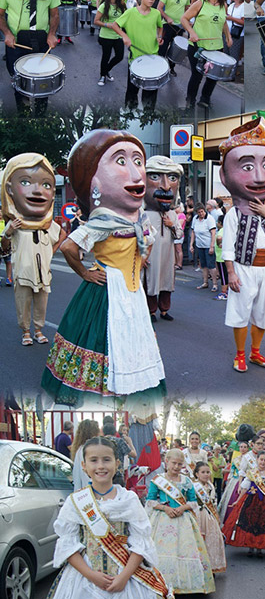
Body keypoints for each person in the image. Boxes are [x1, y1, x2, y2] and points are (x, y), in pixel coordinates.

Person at [31, 436, 187, 599]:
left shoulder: (128, 500)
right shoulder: (76, 502)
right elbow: (68, 544)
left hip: (127, 579)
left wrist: (125, 576)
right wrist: (91, 574)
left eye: (106, 460)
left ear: (117, 464)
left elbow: (141, 542)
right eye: (94, 460)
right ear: (84, 465)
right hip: (84, 579)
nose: (100, 466)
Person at [42, 129, 165, 419]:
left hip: (132, 293)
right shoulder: (103, 221)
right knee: (104, 341)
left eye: (138, 160)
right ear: (93, 181)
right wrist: (84, 273)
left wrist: (141, 257)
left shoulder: (140, 218)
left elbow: (146, 242)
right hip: (107, 292)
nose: (136, 172)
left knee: (133, 340)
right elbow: (69, 247)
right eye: (120, 161)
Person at [220, 116, 265, 373]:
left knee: (263, 313)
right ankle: (240, 354)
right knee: (240, 311)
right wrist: (230, 273)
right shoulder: (234, 213)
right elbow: (227, 245)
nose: (260, 178)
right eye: (248, 167)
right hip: (243, 267)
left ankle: (256, 353)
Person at [1, 150, 66, 347]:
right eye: (27, 182)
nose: (38, 191)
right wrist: (8, 231)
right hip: (23, 272)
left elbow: (63, 235)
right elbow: (4, 247)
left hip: (43, 272)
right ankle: (25, 331)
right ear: (10, 189)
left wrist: (51, 253)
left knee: (42, 303)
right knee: (23, 304)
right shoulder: (16, 223)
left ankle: (38, 329)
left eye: (46, 184)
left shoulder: (48, 225)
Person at [0, 0, 60, 113]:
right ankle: (24, 119)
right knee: (20, 86)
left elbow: (54, 14)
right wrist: (7, 33)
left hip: (42, 43)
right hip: (17, 43)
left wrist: (52, 34)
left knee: (43, 85)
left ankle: (41, 119)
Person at [146, 448, 215, 595]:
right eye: (174, 463)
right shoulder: (158, 480)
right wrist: (165, 509)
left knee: (185, 549)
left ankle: (185, 585)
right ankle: (161, 583)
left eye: (179, 464)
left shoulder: (187, 481)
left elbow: (193, 501)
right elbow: (150, 501)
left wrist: (183, 508)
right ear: (166, 461)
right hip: (163, 518)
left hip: (183, 519)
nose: (176, 467)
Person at [110, 0, 163, 111]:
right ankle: (129, 115)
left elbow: (160, 27)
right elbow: (115, 25)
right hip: (136, 59)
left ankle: (147, 118)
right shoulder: (131, 13)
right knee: (132, 91)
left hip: (152, 58)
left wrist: (159, 37)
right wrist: (124, 36)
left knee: (150, 93)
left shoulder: (156, 13)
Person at [181, 0, 232, 109]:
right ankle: (190, 100)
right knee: (197, 75)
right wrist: (191, 32)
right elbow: (184, 19)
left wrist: (228, 36)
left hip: (216, 47)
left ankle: (205, 98)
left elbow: (223, 21)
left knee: (213, 77)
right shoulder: (200, 3)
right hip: (198, 47)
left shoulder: (223, 6)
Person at [223, 450, 265, 555]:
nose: (262, 462)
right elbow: (244, 488)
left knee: (263, 523)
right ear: (257, 460)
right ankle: (250, 546)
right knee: (249, 522)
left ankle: (259, 547)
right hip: (251, 501)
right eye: (261, 459)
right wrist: (238, 500)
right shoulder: (251, 473)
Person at [143, 155, 183, 323]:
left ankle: (164, 310)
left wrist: (171, 224)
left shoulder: (172, 213)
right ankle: (151, 312)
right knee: (151, 283)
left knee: (166, 282)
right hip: (151, 257)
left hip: (167, 256)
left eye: (172, 178)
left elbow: (179, 235)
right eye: (155, 177)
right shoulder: (142, 215)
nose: (166, 186)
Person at [193, 461, 227, 574]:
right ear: (197, 474)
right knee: (199, 540)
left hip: (210, 515)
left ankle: (211, 566)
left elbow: (214, 502)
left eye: (208, 472)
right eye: (203, 472)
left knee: (211, 540)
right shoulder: (194, 486)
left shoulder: (211, 486)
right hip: (199, 515)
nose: (206, 474)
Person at [94, 0, 126, 87]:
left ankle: (106, 70)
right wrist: (108, 25)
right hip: (106, 36)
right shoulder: (104, 6)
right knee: (106, 56)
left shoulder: (121, 5)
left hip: (118, 35)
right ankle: (102, 76)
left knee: (119, 56)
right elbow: (96, 21)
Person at [158, 0, 189, 74]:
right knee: (163, 47)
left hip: (179, 27)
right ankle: (160, 67)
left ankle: (171, 68)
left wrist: (188, 22)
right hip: (167, 25)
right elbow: (159, 8)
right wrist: (167, 18)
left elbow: (187, 11)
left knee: (176, 49)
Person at [190, 202, 218, 291]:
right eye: (199, 212)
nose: (201, 214)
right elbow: (193, 232)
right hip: (200, 245)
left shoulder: (209, 219)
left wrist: (211, 246)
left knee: (211, 265)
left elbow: (213, 233)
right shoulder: (195, 219)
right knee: (203, 265)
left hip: (208, 245)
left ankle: (214, 284)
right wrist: (191, 244)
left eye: (202, 212)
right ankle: (205, 282)